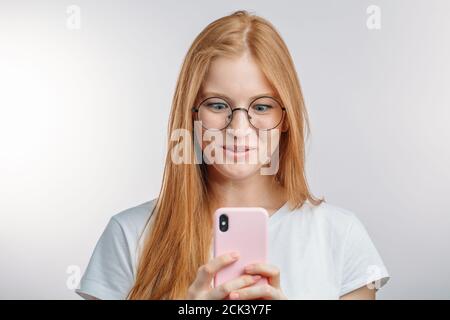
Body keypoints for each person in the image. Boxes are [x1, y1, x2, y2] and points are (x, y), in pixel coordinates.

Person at [76, 10, 389, 300]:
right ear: (192, 115)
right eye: (217, 104)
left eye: (262, 106)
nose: (239, 129)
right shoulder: (128, 235)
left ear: (286, 118)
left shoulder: (341, 237)